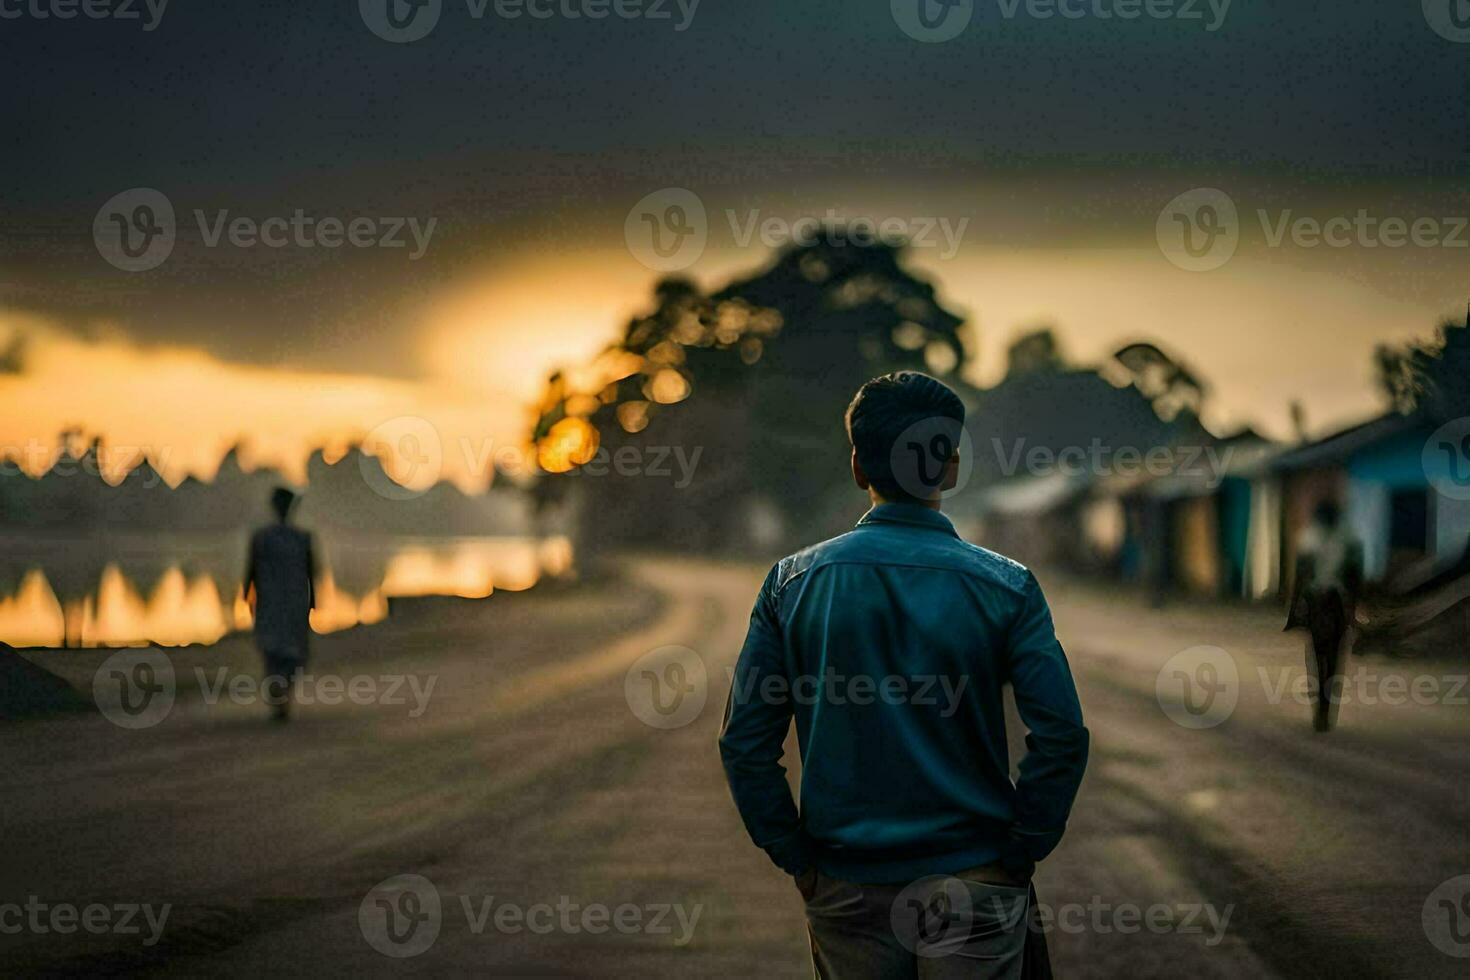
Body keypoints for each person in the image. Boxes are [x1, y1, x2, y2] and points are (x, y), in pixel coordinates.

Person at [719, 372, 1089, 979]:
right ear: (949, 467)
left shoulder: (790, 584)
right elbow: (1062, 734)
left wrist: (797, 857)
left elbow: (744, 743)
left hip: (845, 885)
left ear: (859, 466)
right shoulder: (1007, 586)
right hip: (976, 881)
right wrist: (1021, 852)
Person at [1286, 499, 1362, 732]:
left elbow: (1300, 578)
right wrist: (1354, 610)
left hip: (1317, 602)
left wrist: (1294, 612)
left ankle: (1321, 709)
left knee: (1318, 658)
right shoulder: (1350, 539)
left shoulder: (1308, 539)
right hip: (1336, 604)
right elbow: (1355, 578)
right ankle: (1326, 710)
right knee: (1335, 660)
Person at [243, 487, 318, 721]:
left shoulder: (289, 538)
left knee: (282, 652)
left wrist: (312, 602)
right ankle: (280, 701)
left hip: (284, 602)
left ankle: (280, 700)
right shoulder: (292, 538)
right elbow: (252, 571)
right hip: (280, 601)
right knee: (281, 652)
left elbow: (310, 573)